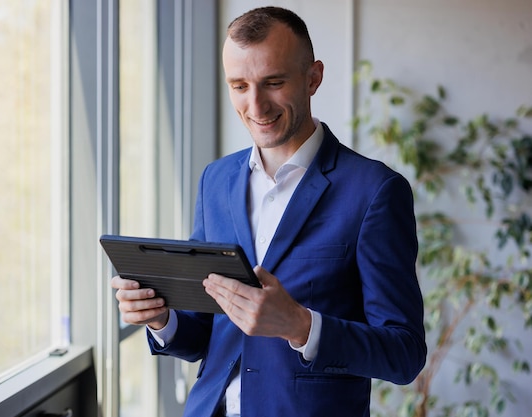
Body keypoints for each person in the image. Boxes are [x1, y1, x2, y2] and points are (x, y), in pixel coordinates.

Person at [112, 6, 426, 417]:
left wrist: (300, 325)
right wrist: (161, 318)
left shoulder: (375, 192)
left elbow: (404, 354)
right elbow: (206, 332)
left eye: (273, 82)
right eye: (239, 85)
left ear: (313, 78)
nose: (255, 105)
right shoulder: (216, 181)